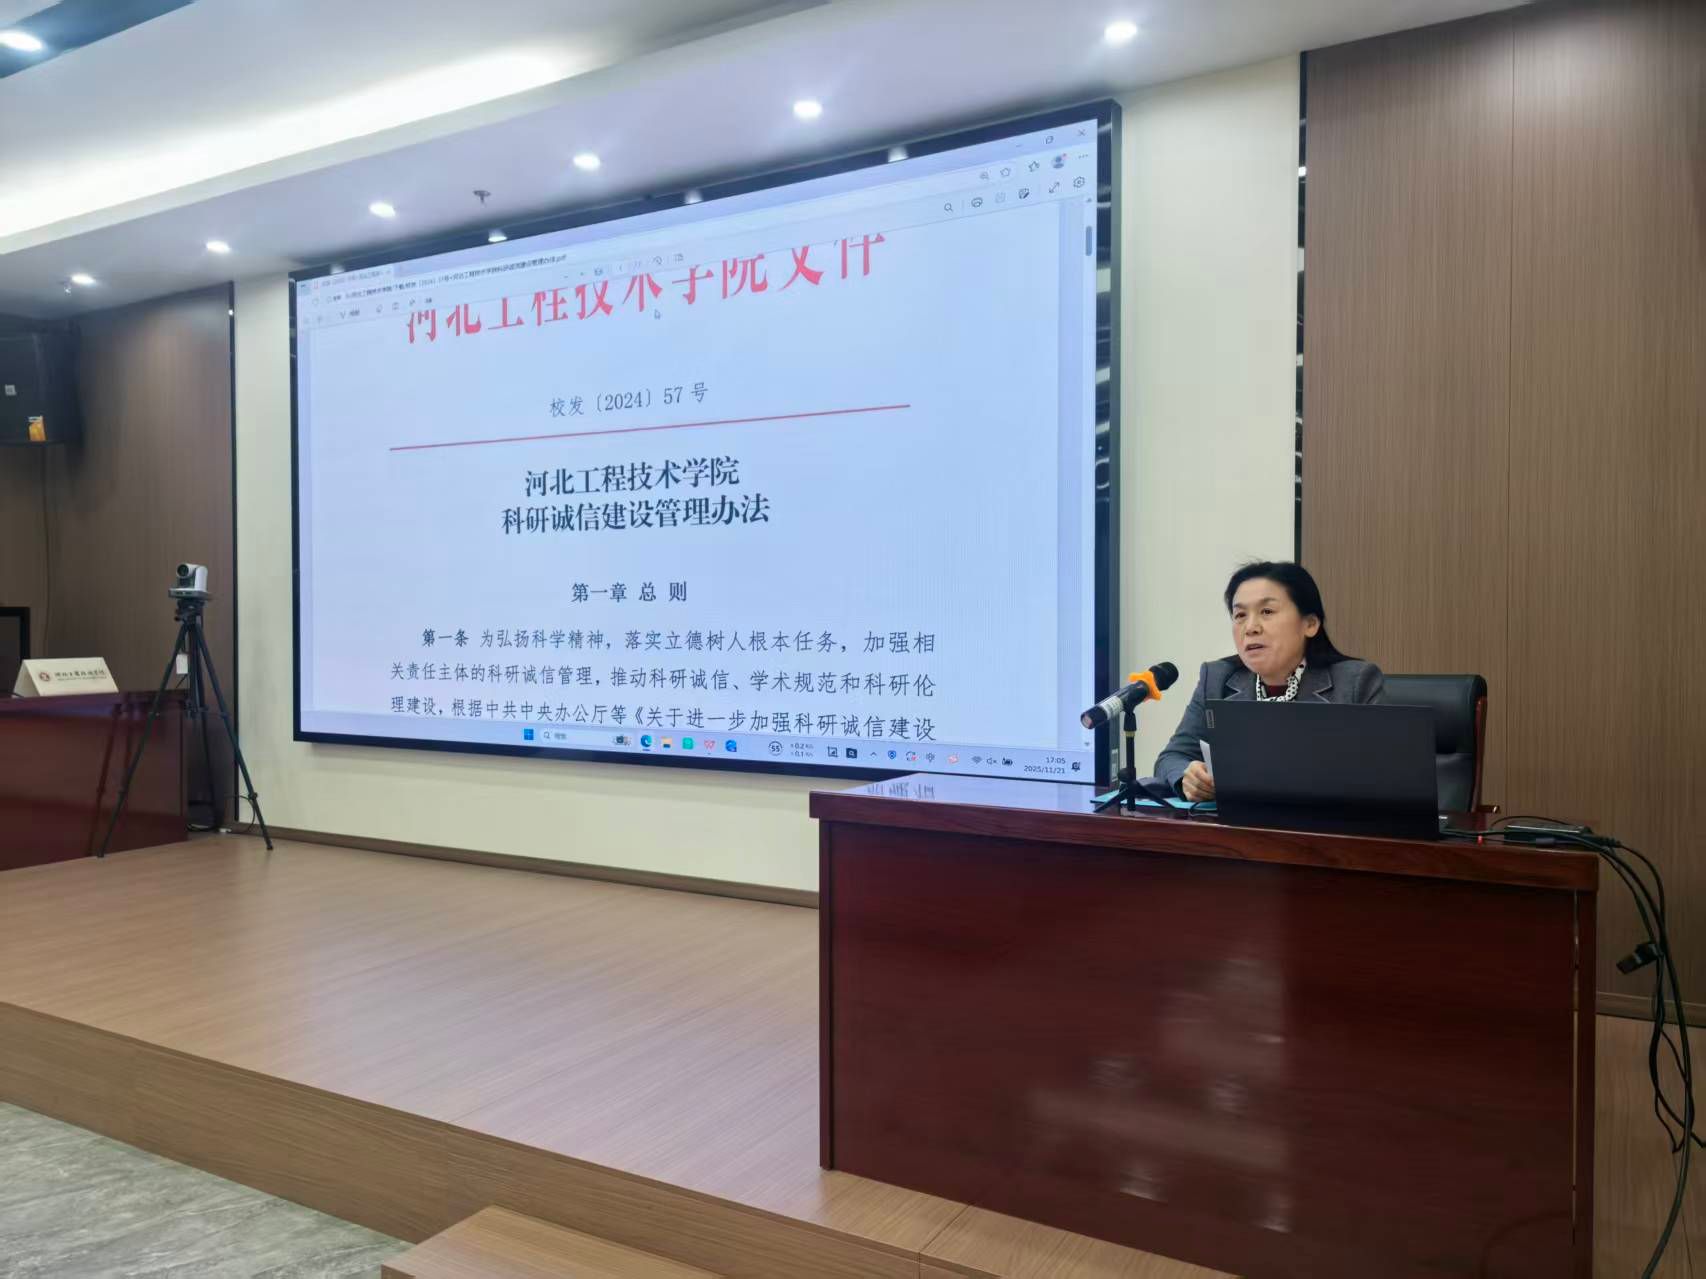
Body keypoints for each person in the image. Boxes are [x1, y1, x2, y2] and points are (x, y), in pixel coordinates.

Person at [1154, 561, 1385, 801]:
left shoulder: (1355, 682)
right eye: (1240, 615)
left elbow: (1382, 775)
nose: (1251, 628)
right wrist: (1188, 778)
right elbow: (1171, 758)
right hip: (1236, 822)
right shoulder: (1217, 679)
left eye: (1267, 612)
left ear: (1310, 624)